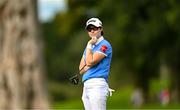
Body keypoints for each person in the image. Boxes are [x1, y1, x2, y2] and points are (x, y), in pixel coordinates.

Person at [79, 17, 113, 110]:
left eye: (95, 28)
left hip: (97, 85)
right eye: (89, 29)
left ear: (101, 29)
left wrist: (89, 46)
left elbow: (90, 62)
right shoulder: (89, 47)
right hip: (86, 85)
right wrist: (89, 62)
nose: (92, 31)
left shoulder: (105, 45)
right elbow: (81, 69)